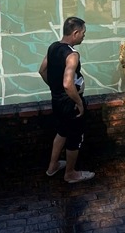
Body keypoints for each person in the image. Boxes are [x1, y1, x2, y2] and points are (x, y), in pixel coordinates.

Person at [39, 16, 95, 183]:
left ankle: (53, 166)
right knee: (75, 137)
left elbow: (42, 70)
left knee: (62, 131)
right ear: (75, 33)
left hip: (57, 100)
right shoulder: (72, 55)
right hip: (70, 103)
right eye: (83, 33)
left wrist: (54, 88)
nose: (84, 36)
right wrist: (78, 102)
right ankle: (70, 173)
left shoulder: (53, 47)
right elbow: (67, 83)